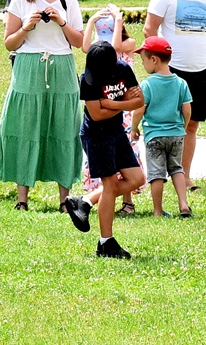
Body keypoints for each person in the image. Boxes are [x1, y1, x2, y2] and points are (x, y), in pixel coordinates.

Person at [0, 0, 84, 211]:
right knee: (25, 126)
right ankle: (22, 199)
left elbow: (79, 42)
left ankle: (65, 200)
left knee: (64, 127)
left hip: (62, 64)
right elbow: (9, 43)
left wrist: (60, 21)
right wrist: (26, 27)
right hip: (28, 65)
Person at [143, 0, 206, 189]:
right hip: (172, 72)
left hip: (202, 73)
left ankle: (185, 178)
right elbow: (149, 30)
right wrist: (159, 65)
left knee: (192, 125)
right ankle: (157, 177)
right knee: (163, 126)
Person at [61, 41, 145, 259]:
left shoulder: (123, 69)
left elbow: (139, 101)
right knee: (110, 185)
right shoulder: (87, 79)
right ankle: (106, 243)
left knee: (137, 179)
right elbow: (97, 115)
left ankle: (85, 201)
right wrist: (123, 102)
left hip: (116, 133)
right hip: (96, 136)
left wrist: (111, 104)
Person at [80, 3, 139, 215]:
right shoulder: (96, 55)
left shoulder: (127, 44)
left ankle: (119, 201)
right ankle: (89, 202)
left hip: (119, 114)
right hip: (99, 128)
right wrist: (91, 21)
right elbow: (84, 47)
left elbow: (115, 48)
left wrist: (114, 104)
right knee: (110, 176)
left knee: (128, 163)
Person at [129, 36, 194, 218]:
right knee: (177, 169)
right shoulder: (181, 83)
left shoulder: (148, 84)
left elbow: (139, 110)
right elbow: (187, 110)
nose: (142, 64)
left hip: (154, 136)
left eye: (143, 60)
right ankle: (183, 204)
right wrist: (183, 127)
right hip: (176, 134)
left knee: (157, 174)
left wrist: (134, 128)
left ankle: (158, 210)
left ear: (154, 60)